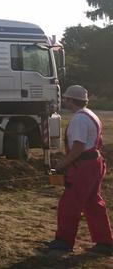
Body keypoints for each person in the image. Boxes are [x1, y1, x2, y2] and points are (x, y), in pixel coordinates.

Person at [49, 85, 113, 254]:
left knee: (70, 203)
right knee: (93, 203)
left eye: (66, 98)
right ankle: (105, 241)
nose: (64, 101)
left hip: (83, 167)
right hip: (94, 163)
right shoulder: (91, 115)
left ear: (71, 100)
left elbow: (78, 147)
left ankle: (64, 241)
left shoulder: (78, 119)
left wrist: (61, 165)